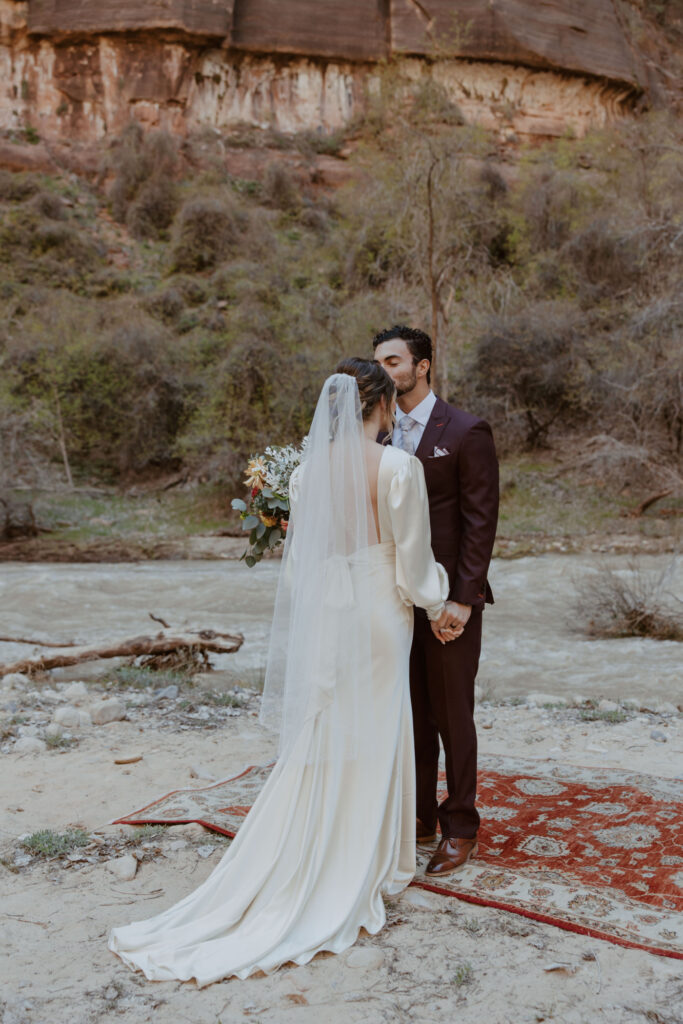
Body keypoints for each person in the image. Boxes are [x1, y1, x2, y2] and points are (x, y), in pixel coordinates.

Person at [109, 359, 463, 985]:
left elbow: (301, 567)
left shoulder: (305, 474)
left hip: (329, 609)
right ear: (380, 405)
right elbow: (412, 562)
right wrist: (439, 606)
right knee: (380, 725)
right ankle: (373, 860)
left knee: (328, 728)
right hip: (381, 611)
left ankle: (317, 846)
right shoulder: (398, 468)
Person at [373, 326, 499, 877]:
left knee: (452, 714)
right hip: (392, 600)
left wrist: (464, 601)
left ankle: (460, 826)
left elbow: (480, 523)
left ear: (422, 366)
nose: (385, 370)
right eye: (379, 362)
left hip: (449, 601)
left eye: (394, 360)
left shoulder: (467, 431)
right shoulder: (374, 436)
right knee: (411, 713)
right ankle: (420, 816)